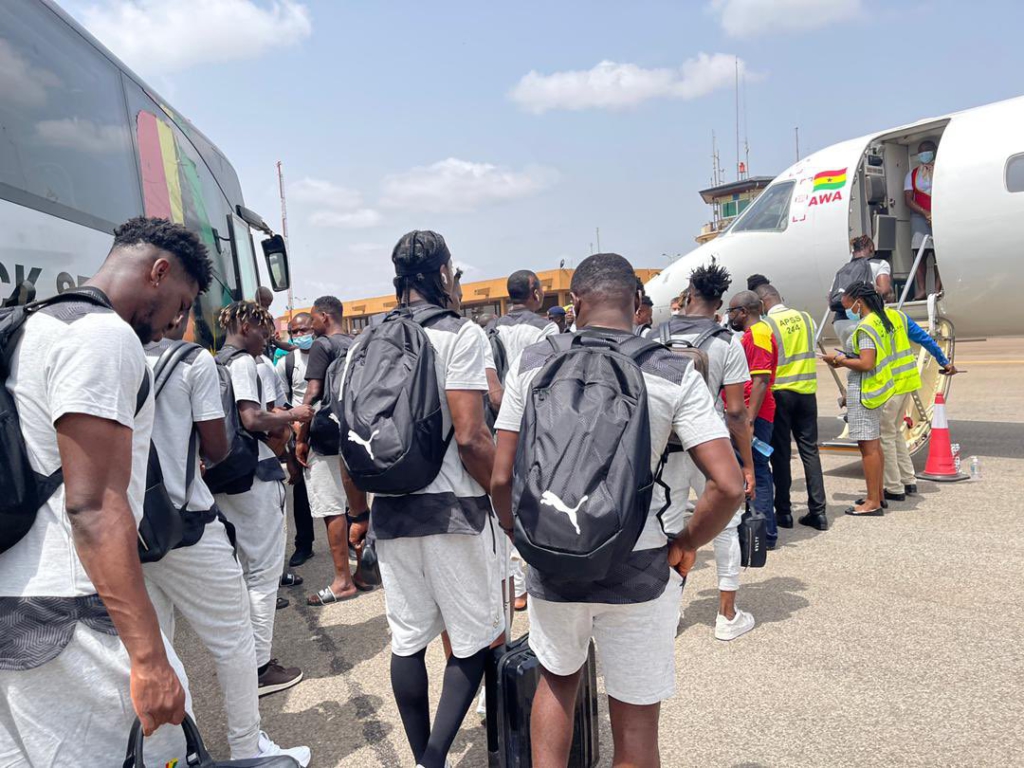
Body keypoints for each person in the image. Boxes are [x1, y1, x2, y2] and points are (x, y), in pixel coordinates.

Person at [491, 253, 744, 768]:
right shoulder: (671, 370)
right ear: (636, 303)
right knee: (634, 720)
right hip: (640, 562)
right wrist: (686, 544)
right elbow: (729, 484)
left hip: (552, 554)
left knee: (557, 683)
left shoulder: (534, 364)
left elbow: (501, 475)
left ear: (576, 302)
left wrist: (522, 537)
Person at [0, 217, 210, 764]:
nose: (176, 323)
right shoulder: (102, 335)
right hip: (75, 619)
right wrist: (149, 658)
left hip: (15, 607)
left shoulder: (30, 328)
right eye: (181, 302)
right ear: (158, 272)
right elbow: (93, 505)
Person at [340, 231, 502, 768]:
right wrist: (503, 498)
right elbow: (472, 437)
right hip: (454, 508)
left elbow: (350, 434)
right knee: (475, 638)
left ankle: (418, 758)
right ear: (442, 275)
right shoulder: (460, 335)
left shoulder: (364, 340)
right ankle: (434, 758)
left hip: (391, 508)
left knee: (407, 639)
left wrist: (359, 512)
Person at [143, 318, 311, 764]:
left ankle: (175, 753)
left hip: (132, 525)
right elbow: (218, 445)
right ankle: (246, 748)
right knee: (236, 633)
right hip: (188, 519)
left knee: (156, 643)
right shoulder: (193, 360)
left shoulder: (110, 352)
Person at [213, 301, 314, 695]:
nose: (268, 336)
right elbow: (252, 418)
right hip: (252, 476)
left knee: (243, 571)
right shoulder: (243, 364)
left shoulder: (216, 362)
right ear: (242, 324)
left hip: (228, 479)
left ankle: (243, 661)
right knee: (262, 574)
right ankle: (258, 669)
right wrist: (294, 416)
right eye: (262, 329)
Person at [657, 260, 758, 641]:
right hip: (708, 445)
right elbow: (735, 411)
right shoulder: (726, 342)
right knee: (724, 527)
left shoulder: (655, 336)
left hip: (665, 448)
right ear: (718, 306)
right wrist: (745, 465)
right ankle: (727, 616)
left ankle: (667, 616)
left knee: (666, 527)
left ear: (686, 297)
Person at [297, 296, 365, 607]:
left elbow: (313, 392)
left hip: (326, 437)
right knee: (359, 506)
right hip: (358, 433)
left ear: (325, 317)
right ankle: (364, 572)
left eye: (313, 318)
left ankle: (342, 581)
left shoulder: (322, 347)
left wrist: (301, 434)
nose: (310, 325)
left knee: (331, 507)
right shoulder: (357, 344)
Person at [755, 280, 830, 532]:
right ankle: (819, 513)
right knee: (810, 451)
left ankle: (784, 512)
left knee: (781, 455)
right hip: (807, 393)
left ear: (763, 303)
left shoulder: (766, 325)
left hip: (781, 395)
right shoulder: (807, 318)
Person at [821, 282, 898, 516]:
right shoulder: (880, 320)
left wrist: (839, 360)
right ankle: (878, 494)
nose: (845, 310)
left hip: (866, 391)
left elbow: (866, 363)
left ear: (858, 301)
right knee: (875, 445)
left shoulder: (865, 327)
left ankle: (872, 502)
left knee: (868, 448)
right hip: (877, 390)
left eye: (846, 304)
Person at [879, 308, 957, 503]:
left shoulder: (871, 321)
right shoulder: (899, 316)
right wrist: (944, 361)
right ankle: (908, 479)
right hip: (907, 382)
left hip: (889, 386)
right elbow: (924, 339)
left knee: (885, 436)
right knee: (895, 432)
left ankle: (894, 487)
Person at [726, 290, 779, 545]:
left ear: (744, 312)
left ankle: (764, 532)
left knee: (756, 469)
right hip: (753, 410)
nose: (730, 316)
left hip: (754, 412)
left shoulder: (757, 334)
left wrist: (748, 420)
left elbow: (760, 380)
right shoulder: (755, 333)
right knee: (753, 469)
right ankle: (759, 527)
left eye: (732, 311)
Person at [276, 313, 316, 566]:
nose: (300, 336)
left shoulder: (326, 354)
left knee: (339, 487)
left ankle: (346, 537)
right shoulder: (287, 363)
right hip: (299, 431)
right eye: (295, 332)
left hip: (326, 431)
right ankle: (304, 545)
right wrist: (294, 425)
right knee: (301, 493)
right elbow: (281, 401)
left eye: (304, 330)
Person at [830, 236, 893, 346]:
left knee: (852, 359)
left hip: (840, 323)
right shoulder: (879, 264)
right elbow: (884, 291)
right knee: (870, 359)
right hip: (864, 320)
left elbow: (830, 297)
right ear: (871, 248)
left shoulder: (842, 270)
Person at [904, 140, 940, 299]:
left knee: (940, 253)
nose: (923, 154)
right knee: (920, 252)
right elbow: (908, 200)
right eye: (920, 152)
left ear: (934, 151)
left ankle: (939, 288)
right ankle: (921, 290)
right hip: (920, 215)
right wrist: (925, 213)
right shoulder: (911, 174)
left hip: (941, 215)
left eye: (926, 151)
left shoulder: (942, 170)